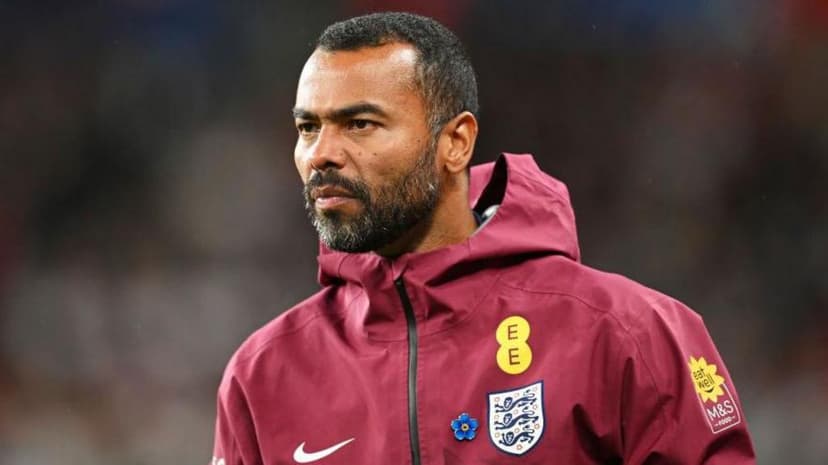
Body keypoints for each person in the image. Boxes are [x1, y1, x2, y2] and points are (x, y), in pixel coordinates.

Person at [211, 12, 756, 465]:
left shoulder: (625, 332)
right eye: (308, 127)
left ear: (455, 142)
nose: (321, 154)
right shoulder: (262, 376)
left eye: (360, 124)